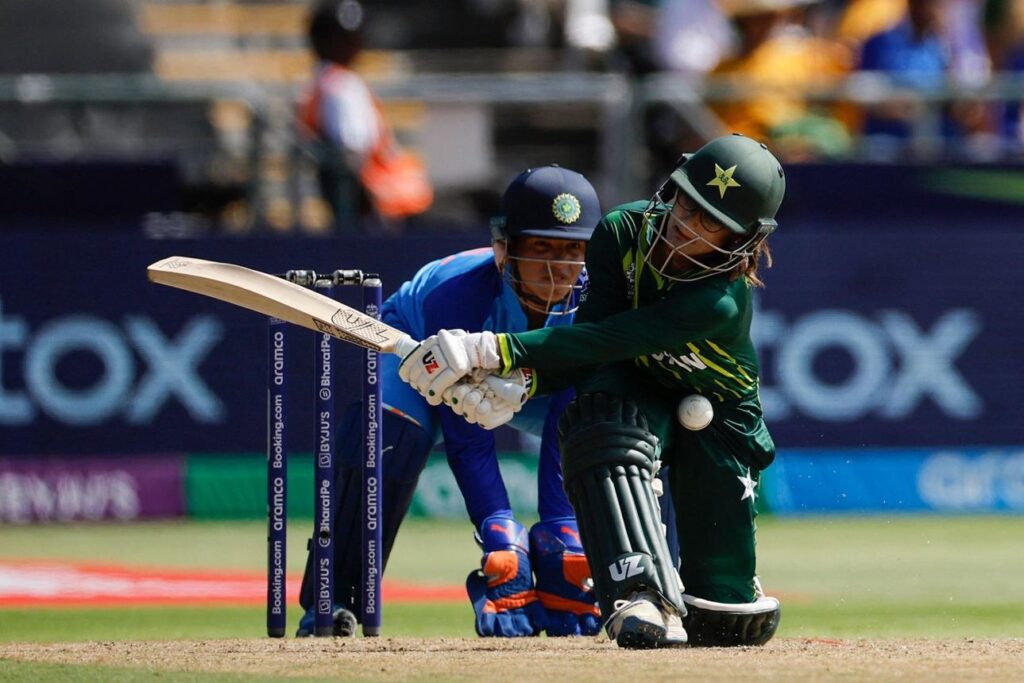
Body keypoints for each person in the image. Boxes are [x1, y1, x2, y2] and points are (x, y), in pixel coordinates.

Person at [399, 133, 785, 649]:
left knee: (724, 620)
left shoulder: (718, 303)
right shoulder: (623, 231)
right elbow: (593, 341)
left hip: (720, 417)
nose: (683, 226)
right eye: (686, 205)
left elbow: (612, 336)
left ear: (740, 240)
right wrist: (525, 385)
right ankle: (639, 592)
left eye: (708, 223)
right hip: (637, 380)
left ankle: (717, 588)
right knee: (601, 422)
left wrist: (499, 351)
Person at [297, 165, 603, 638]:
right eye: (540, 249)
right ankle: (335, 599)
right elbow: (468, 436)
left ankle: (656, 589)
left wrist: (561, 531)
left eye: (571, 252)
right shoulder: (457, 295)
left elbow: (569, 414)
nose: (556, 270)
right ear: (504, 250)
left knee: (607, 419)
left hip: (538, 383)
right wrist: (499, 531)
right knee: (386, 436)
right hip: (420, 354)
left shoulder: (597, 301)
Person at [297, 0, 433, 229]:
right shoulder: (341, 85)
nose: (352, 45)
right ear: (321, 40)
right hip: (382, 202)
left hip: (379, 200)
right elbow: (354, 150)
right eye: (341, 38)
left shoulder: (319, 83)